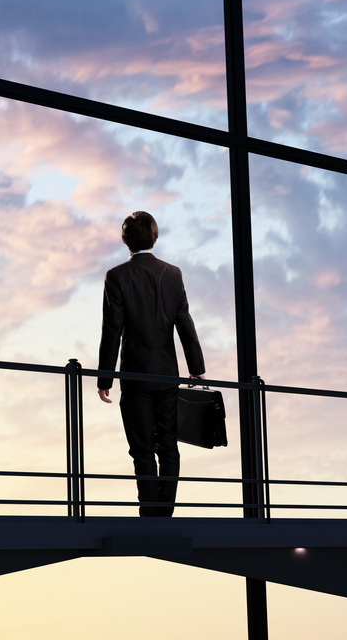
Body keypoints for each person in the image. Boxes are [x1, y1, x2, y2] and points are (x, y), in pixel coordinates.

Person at [97, 211, 205, 517]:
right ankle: (164, 514)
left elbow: (112, 330)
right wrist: (196, 367)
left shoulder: (116, 277)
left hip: (135, 376)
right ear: (155, 238)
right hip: (168, 376)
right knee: (168, 445)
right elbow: (184, 321)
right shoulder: (173, 274)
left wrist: (105, 378)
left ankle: (149, 514)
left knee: (142, 448)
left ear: (124, 241)